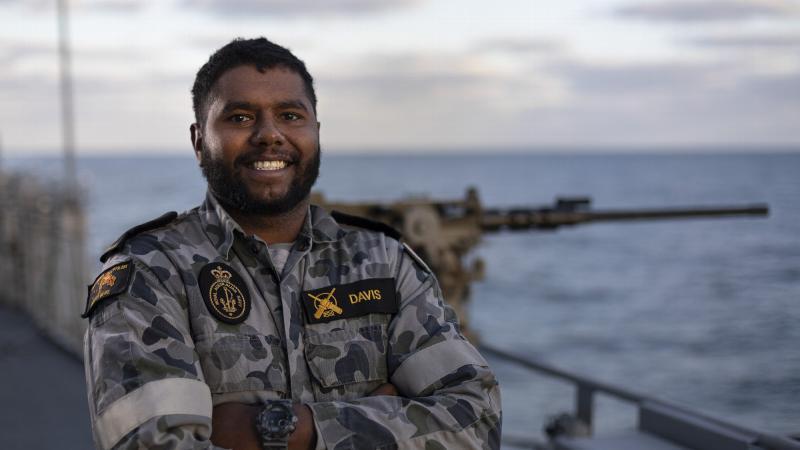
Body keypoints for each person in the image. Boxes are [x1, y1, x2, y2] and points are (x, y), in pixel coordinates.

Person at [82, 37, 502, 450]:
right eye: (241, 118)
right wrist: (380, 420)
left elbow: (477, 423)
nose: (270, 135)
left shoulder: (384, 263)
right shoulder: (149, 272)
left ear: (316, 133)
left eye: (289, 115)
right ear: (198, 141)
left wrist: (287, 429)